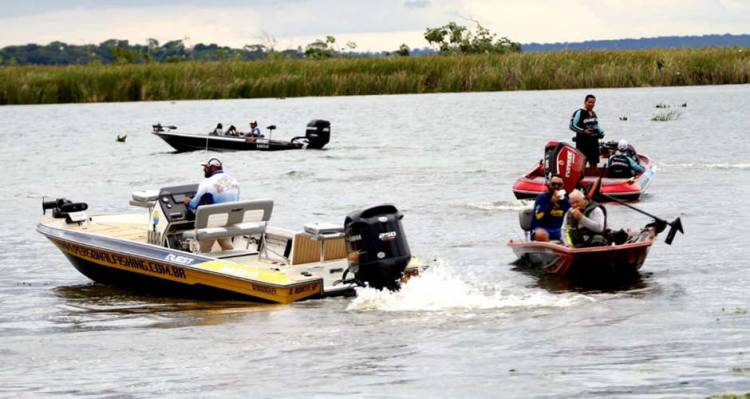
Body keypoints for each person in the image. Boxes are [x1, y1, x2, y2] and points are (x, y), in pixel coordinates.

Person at [183, 158, 240, 253]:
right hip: (231, 220)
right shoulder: (234, 181)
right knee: (225, 242)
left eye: (206, 167)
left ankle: (202, 257)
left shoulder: (206, 182)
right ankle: (231, 255)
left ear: (213, 167)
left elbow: (194, 205)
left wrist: (187, 201)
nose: (203, 169)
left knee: (204, 248)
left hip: (215, 222)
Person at [530, 174, 571, 242]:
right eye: (553, 184)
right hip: (542, 229)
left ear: (562, 186)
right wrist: (551, 204)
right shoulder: (541, 198)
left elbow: (570, 216)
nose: (556, 187)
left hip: (559, 230)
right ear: (549, 185)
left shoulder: (565, 200)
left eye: (559, 185)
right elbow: (539, 218)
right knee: (540, 234)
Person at [570, 94, 604, 168]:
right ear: (585, 102)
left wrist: (601, 132)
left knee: (594, 163)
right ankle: (580, 179)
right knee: (581, 164)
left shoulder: (594, 113)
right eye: (589, 102)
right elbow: (572, 126)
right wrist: (583, 131)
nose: (591, 104)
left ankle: (594, 178)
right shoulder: (579, 112)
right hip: (582, 144)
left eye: (593, 102)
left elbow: (596, 126)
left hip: (594, 143)